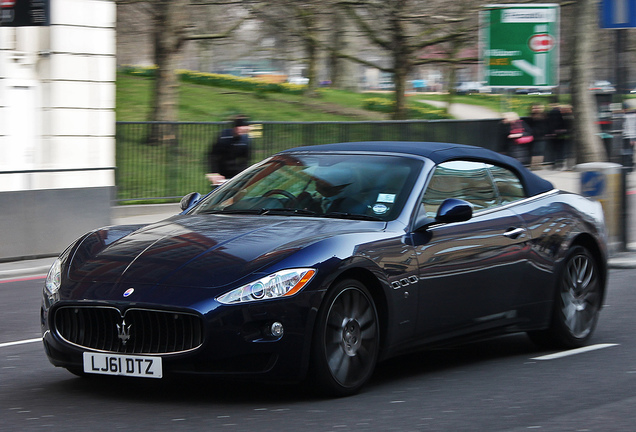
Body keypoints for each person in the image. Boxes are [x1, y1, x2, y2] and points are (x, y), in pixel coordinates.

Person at [206, 115, 251, 186]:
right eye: (240, 128)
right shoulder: (224, 137)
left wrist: (242, 175)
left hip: (235, 173)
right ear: (235, 128)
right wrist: (214, 173)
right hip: (221, 172)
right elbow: (213, 155)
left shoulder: (245, 140)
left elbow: (245, 160)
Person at [526, 104, 548, 170]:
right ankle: (534, 165)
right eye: (534, 108)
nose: (536, 109)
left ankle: (538, 164)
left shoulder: (544, 116)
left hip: (541, 136)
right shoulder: (530, 117)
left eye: (537, 108)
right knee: (534, 151)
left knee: (540, 151)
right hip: (534, 136)